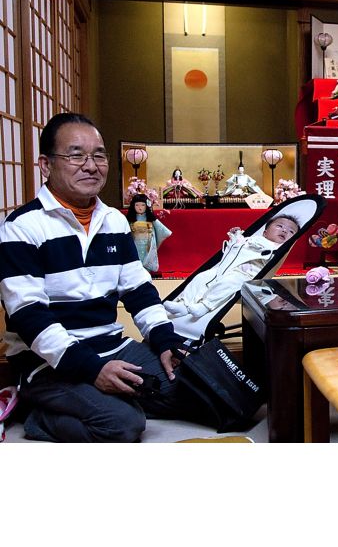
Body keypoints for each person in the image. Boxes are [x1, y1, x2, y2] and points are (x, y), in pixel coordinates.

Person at [0, 112, 193, 442]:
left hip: (111, 345)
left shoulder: (114, 220)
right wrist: (91, 370)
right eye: (76, 155)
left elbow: (138, 290)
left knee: (195, 389)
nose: (91, 166)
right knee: (124, 424)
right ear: (46, 165)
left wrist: (165, 341)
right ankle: (37, 415)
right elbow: (29, 317)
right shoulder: (21, 227)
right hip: (47, 359)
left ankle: (100, 400)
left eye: (99, 155)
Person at [163, 215, 300, 337]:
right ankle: (184, 304)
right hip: (224, 269)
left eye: (291, 231)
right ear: (265, 232)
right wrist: (236, 236)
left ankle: (205, 305)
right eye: (279, 226)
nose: (284, 231)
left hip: (244, 275)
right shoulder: (252, 239)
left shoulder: (278, 248)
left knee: (228, 283)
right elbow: (235, 247)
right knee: (201, 278)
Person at [126, 193, 172, 273]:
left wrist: (154, 219)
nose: (140, 207)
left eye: (143, 205)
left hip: (148, 244)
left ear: (147, 206)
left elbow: (164, 232)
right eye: (137, 205)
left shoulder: (150, 219)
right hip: (135, 244)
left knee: (147, 259)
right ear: (133, 206)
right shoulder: (130, 220)